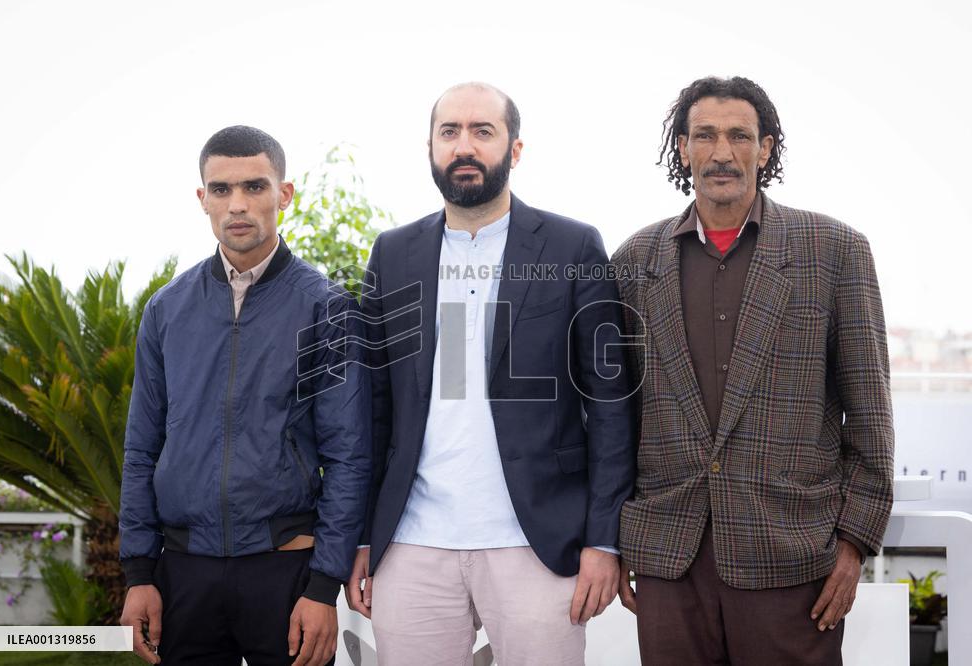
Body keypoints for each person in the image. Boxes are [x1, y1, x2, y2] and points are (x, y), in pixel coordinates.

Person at [346, 82, 635, 665]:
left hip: (536, 542)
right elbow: (373, 407)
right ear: (429, 146)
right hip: (412, 542)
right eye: (449, 131)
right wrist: (362, 535)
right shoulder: (393, 253)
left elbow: (610, 403)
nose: (464, 145)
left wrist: (604, 539)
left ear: (515, 149)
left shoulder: (572, 245)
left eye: (483, 131)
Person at [612, 76, 894, 665]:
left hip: (794, 561)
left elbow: (869, 416)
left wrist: (854, 544)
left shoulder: (835, 251)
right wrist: (612, 542)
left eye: (739, 135)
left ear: (765, 148)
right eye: (704, 136)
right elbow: (615, 420)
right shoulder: (634, 260)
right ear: (682, 148)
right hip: (670, 561)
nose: (722, 152)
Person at [118, 125, 371, 666]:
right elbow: (141, 448)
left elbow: (348, 454)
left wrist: (323, 587)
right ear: (201, 199)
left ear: (285, 194)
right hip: (184, 568)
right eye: (221, 189)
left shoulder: (326, 307)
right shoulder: (166, 310)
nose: (237, 204)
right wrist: (139, 573)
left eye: (255, 187)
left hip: (286, 569)